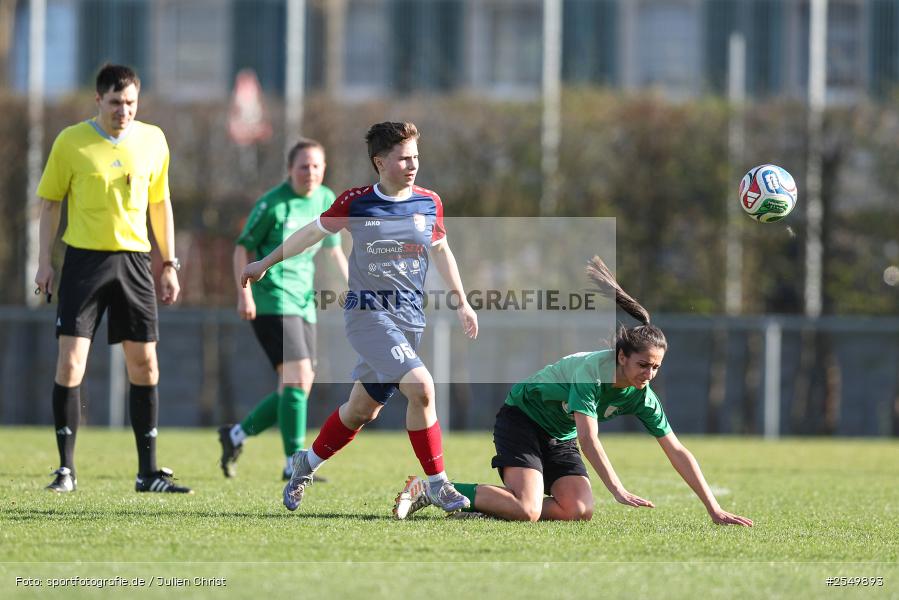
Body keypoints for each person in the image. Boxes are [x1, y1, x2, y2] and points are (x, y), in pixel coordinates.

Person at [393, 257, 753, 526]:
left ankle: (488, 504)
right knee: (528, 510)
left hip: (557, 435)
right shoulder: (591, 373)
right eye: (643, 365)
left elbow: (676, 450)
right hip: (523, 420)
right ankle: (432, 489)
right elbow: (588, 438)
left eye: (656, 367)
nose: (650, 373)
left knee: (578, 510)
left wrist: (713, 509)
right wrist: (617, 488)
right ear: (622, 356)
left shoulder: (643, 396)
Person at [241, 121, 479, 513]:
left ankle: (307, 462)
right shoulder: (355, 202)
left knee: (360, 410)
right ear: (380, 162)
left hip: (409, 321)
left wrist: (462, 301)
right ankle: (438, 484)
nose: (412, 164)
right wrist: (265, 262)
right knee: (422, 387)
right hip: (368, 316)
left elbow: (441, 250)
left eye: (416, 157)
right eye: (403, 158)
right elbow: (310, 234)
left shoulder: (429, 201)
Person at [34, 64, 192, 494]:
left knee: (145, 364)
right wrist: (44, 262)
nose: (124, 111)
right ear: (98, 101)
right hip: (84, 263)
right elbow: (49, 204)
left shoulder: (153, 139)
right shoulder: (71, 142)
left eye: (131, 103)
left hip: (136, 263)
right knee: (71, 363)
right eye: (116, 102)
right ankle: (65, 470)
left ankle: (148, 473)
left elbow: (161, 204)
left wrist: (169, 264)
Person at [218, 139, 348, 481]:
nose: (311, 172)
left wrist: (354, 285)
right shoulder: (272, 205)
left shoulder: (325, 199)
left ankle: (235, 435)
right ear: (290, 169)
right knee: (298, 378)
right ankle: (294, 462)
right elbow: (241, 248)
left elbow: (333, 250)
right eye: (303, 166)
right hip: (271, 299)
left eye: (317, 166)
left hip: (304, 302)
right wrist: (242, 294)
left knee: (295, 388)